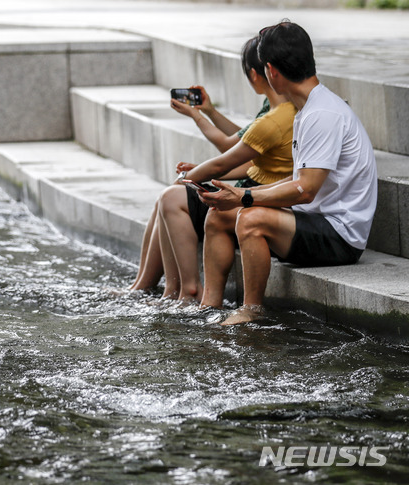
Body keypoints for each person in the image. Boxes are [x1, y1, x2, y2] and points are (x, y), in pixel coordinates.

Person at [199, 21, 377, 325]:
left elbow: (305, 190)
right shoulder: (309, 108)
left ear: (271, 71)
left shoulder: (322, 113)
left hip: (340, 236)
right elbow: (299, 179)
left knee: (250, 218)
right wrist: (239, 195)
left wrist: (244, 197)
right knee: (218, 215)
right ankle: (209, 307)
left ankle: (251, 312)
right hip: (314, 218)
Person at [129, 35, 295, 302]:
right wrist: (209, 112)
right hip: (253, 188)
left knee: (171, 197)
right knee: (167, 198)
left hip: (253, 198)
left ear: (257, 74)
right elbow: (246, 142)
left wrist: (196, 119)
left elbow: (228, 150)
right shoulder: (273, 108)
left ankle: (185, 290)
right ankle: (143, 286)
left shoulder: (277, 117)